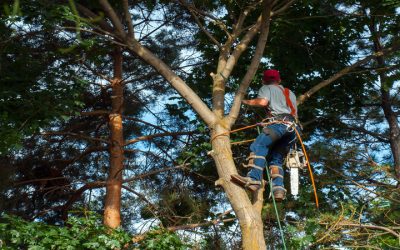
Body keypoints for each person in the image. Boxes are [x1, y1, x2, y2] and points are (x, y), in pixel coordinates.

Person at [231, 69, 298, 201]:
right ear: (279, 80)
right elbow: (290, 113)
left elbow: (262, 102)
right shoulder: (290, 93)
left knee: (259, 145)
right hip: (293, 130)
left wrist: (243, 101)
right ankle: (278, 189)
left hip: (279, 125)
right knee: (276, 158)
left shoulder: (267, 87)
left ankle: (253, 179)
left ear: (264, 81)